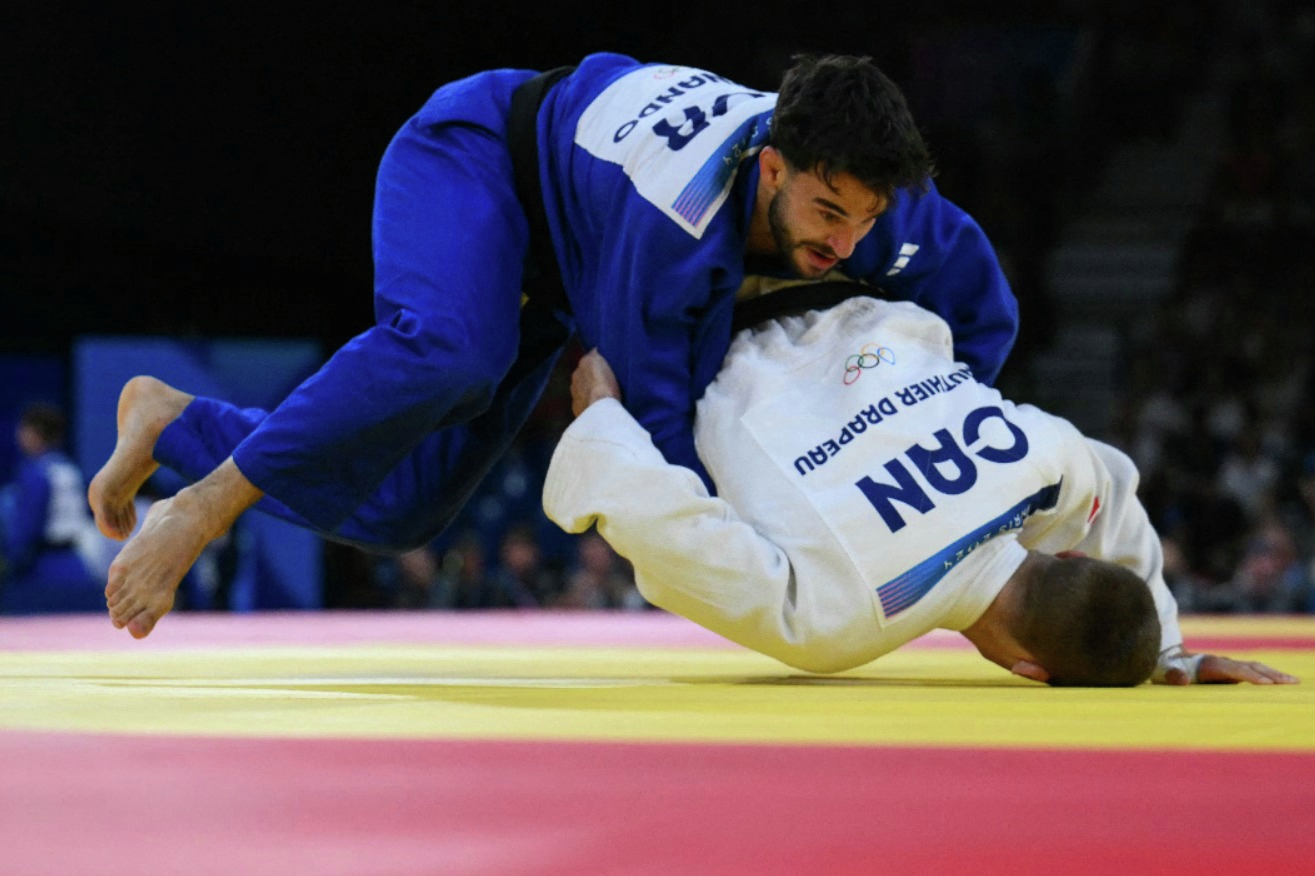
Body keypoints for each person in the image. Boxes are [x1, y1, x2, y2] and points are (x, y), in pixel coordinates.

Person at [91, 53, 1019, 638]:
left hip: (572, 258)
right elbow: (653, 432)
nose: (845, 244)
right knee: (451, 354)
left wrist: (909, 440)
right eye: (825, 213)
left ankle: (178, 423)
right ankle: (203, 506)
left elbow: (986, 322)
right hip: (481, 156)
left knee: (402, 510)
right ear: (771, 164)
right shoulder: (675, 227)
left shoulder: (896, 212)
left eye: (864, 220)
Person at [544, 282, 1298, 685]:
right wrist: (604, 420)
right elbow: (675, 538)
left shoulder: (1054, 465)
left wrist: (1167, 650)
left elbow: (1115, 495)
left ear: (1068, 558)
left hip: (837, 275)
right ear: (1026, 671)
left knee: (984, 321)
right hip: (679, 335)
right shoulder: (839, 623)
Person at [0, 404, 103, 614]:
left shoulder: (35, 473)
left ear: (33, 434)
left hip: (42, 569)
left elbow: (26, 528)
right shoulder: (69, 469)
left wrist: (10, 563)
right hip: (78, 566)